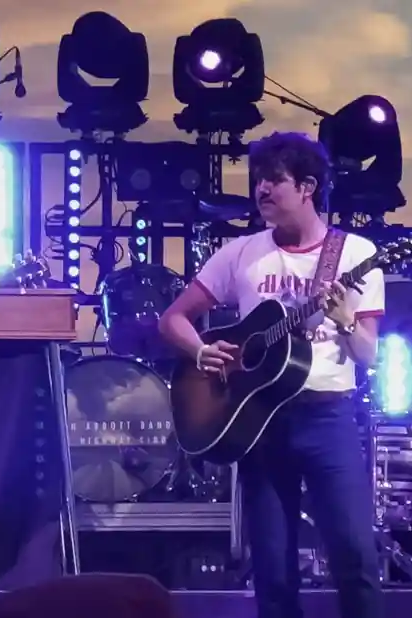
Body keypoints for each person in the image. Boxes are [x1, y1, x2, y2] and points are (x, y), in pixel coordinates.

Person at [159, 132, 384, 618]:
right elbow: (173, 319)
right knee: (273, 573)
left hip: (328, 419)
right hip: (258, 423)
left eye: (273, 181)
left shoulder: (353, 254)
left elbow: (368, 356)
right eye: (257, 180)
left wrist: (345, 319)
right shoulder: (241, 253)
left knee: (354, 556)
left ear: (307, 187)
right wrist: (201, 352)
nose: (260, 190)